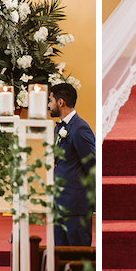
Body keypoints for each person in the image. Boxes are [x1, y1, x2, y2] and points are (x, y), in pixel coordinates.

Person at [48, 83, 95, 246]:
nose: (48, 105)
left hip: (76, 207)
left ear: (61, 102)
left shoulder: (80, 129)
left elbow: (92, 167)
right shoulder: (59, 129)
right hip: (60, 205)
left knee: (78, 257)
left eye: (50, 101)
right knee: (61, 257)